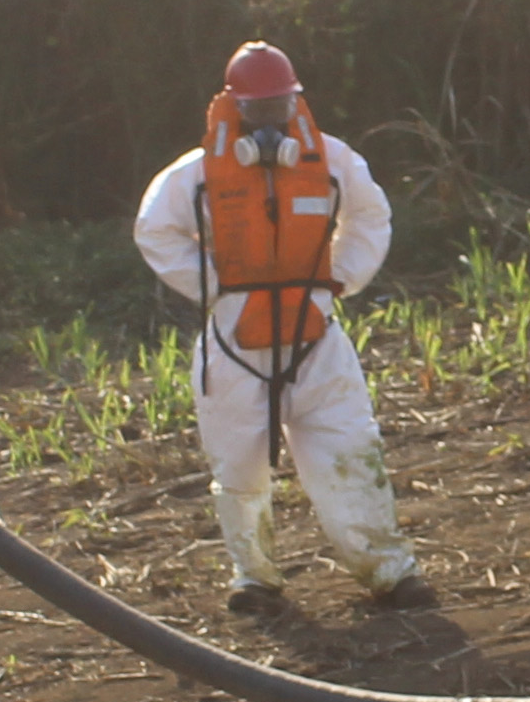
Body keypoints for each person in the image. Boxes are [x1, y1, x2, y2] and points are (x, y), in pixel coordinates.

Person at [129, 42, 432, 616]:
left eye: (279, 106)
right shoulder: (195, 175)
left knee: (351, 453)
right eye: (258, 108)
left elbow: (371, 216)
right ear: (236, 107)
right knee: (237, 468)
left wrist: (340, 277)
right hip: (234, 347)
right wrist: (215, 286)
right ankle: (254, 578)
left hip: (317, 342)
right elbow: (154, 231)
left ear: (295, 102)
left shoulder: (335, 161)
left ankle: (392, 574)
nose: (269, 119)